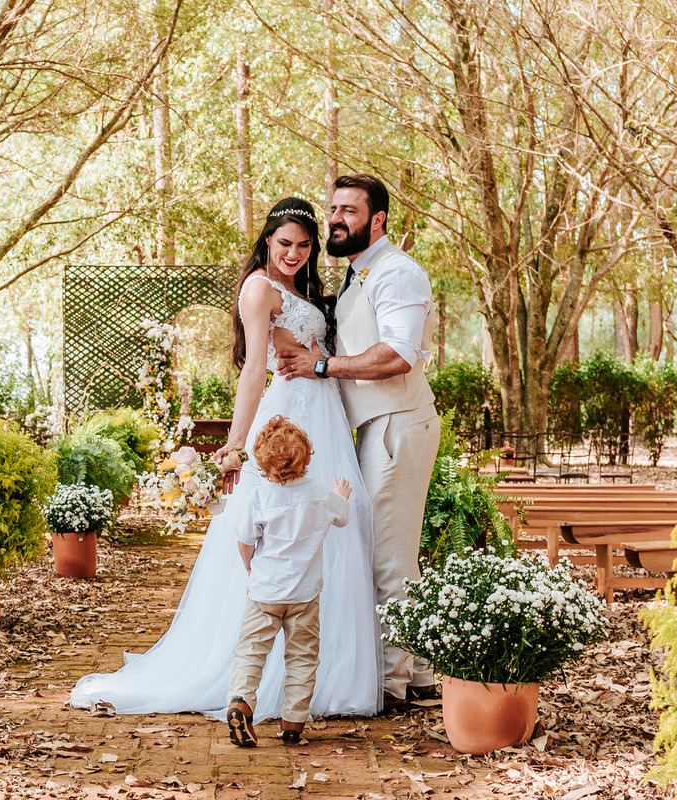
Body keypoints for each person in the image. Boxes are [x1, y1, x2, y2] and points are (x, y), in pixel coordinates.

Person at [69, 197, 381, 721]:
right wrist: (236, 446)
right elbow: (254, 370)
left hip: (323, 414)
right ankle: (264, 675)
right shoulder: (258, 288)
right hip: (290, 414)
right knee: (281, 521)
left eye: (305, 246)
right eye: (285, 243)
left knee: (330, 524)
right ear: (267, 240)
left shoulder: (296, 288)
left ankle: (329, 671)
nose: (295, 254)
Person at [278, 174, 441, 711]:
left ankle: (392, 685)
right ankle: (418, 674)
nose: (335, 219)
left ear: (378, 219)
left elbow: (399, 354)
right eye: (333, 209)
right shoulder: (358, 274)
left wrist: (322, 366)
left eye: (349, 210)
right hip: (375, 426)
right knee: (389, 552)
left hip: (397, 423)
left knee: (387, 558)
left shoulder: (397, 272)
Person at [225, 416, 353, 748]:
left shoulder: (260, 497)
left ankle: (241, 703)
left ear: (262, 463)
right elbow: (342, 517)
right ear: (307, 457)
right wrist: (341, 495)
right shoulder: (320, 494)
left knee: (251, 651)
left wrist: (250, 569)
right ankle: (293, 722)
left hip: (264, 593)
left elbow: (245, 540)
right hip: (304, 595)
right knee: (302, 657)